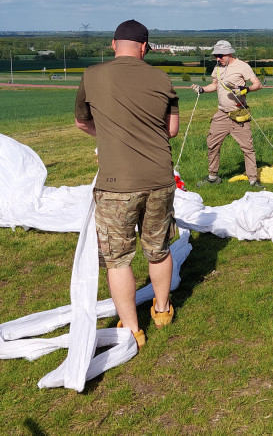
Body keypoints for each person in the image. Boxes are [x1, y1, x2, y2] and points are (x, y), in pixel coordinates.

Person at [74, 19, 180, 349]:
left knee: (118, 259)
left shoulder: (92, 75)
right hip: (159, 178)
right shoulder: (162, 78)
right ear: (145, 47)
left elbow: (81, 122)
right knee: (158, 249)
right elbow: (171, 130)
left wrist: (108, 135)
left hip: (115, 184)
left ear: (113, 44)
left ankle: (133, 330)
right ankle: (162, 311)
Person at [193, 40, 263, 187]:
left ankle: (253, 180)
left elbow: (258, 84)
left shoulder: (242, 66)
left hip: (239, 113)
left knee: (247, 147)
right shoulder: (217, 67)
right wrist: (202, 89)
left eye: (220, 56)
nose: (218, 59)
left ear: (229, 53)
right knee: (212, 144)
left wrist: (246, 89)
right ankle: (213, 177)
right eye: (216, 56)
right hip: (221, 114)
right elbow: (214, 85)